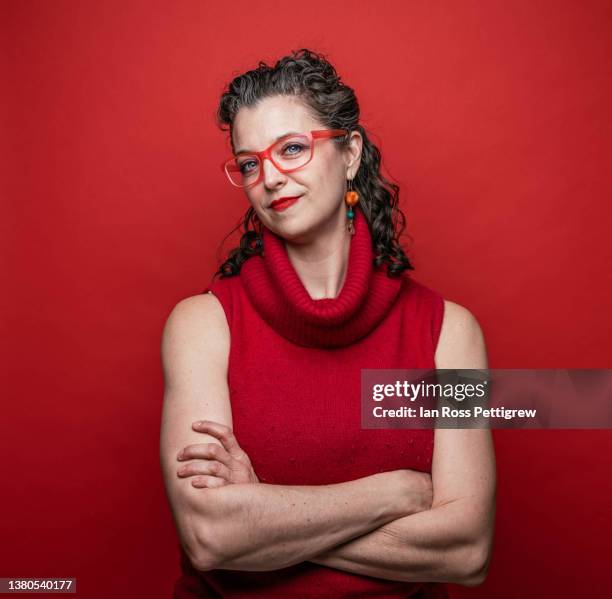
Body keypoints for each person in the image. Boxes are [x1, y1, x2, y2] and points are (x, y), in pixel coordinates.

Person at [160, 48, 496, 598]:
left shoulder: (448, 333)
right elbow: (210, 538)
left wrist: (265, 516)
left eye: (292, 149)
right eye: (250, 163)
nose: (269, 177)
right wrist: (395, 494)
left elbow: (467, 549)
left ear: (349, 153)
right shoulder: (201, 326)